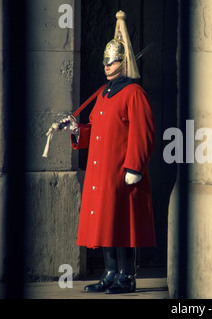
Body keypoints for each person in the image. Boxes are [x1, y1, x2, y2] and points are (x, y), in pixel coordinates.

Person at [57, 11, 156, 294]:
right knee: (105, 223)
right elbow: (97, 131)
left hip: (122, 172)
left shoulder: (134, 93)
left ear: (123, 63)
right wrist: (77, 129)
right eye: (105, 61)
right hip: (101, 171)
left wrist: (135, 167)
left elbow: (144, 132)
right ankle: (110, 271)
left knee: (123, 224)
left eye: (112, 61)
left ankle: (127, 274)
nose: (107, 65)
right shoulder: (103, 94)